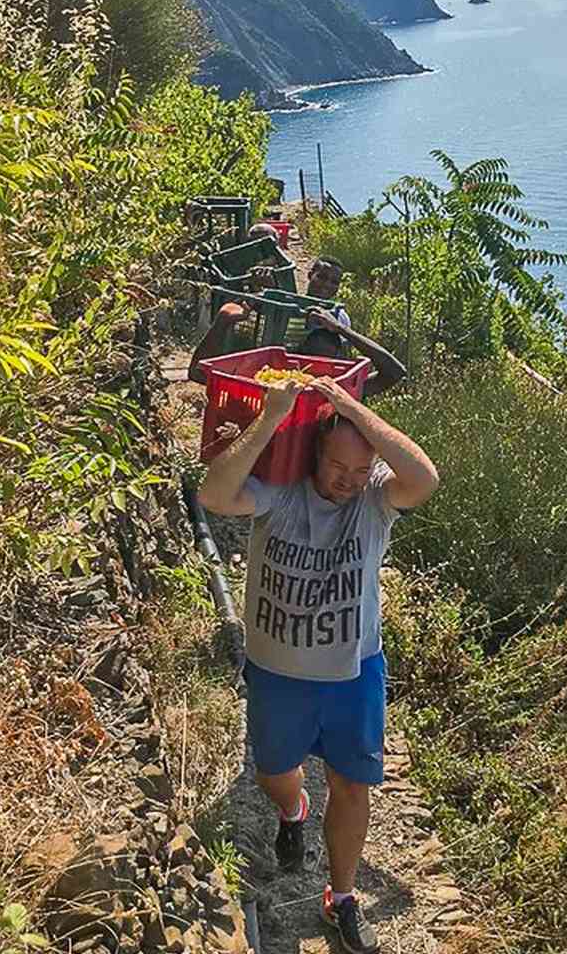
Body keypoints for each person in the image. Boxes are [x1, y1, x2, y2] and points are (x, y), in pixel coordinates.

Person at [197, 377, 439, 954]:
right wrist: (271, 417)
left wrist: (352, 407)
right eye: (338, 467)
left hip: (354, 674)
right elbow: (214, 495)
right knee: (275, 773)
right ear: (314, 457)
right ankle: (292, 809)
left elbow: (425, 479)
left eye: (361, 470)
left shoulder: (376, 500)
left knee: (353, 785)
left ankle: (343, 896)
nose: (349, 481)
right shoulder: (279, 497)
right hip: (278, 674)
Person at [188, 302, 405, 400]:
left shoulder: (340, 391)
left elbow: (395, 372)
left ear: (339, 357)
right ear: (300, 358)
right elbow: (198, 373)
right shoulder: (271, 384)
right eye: (312, 356)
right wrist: (223, 321)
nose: (319, 364)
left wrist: (342, 329)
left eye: (326, 356)